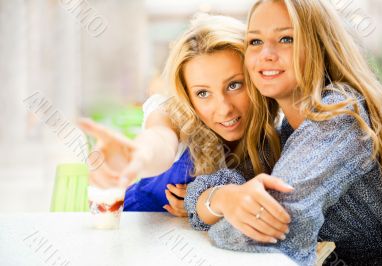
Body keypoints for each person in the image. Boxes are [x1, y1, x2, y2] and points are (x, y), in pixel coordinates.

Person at [185, 1, 382, 265]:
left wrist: (224, 205)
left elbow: (257, 233)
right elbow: (200, 194)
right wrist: (222, 197)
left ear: (320, 46)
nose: (266, 54)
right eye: (255, 41)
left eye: (286, 38)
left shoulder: (339, 116)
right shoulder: (289, 130)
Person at [79, 13, 292, 232]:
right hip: (135, 235)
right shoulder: (174, 114)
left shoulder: (276, 132)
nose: (224, 108)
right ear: (187, 96)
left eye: (234, 85)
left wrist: (201, 208)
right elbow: (159, 139)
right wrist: (138, 155)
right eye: (202, 93)